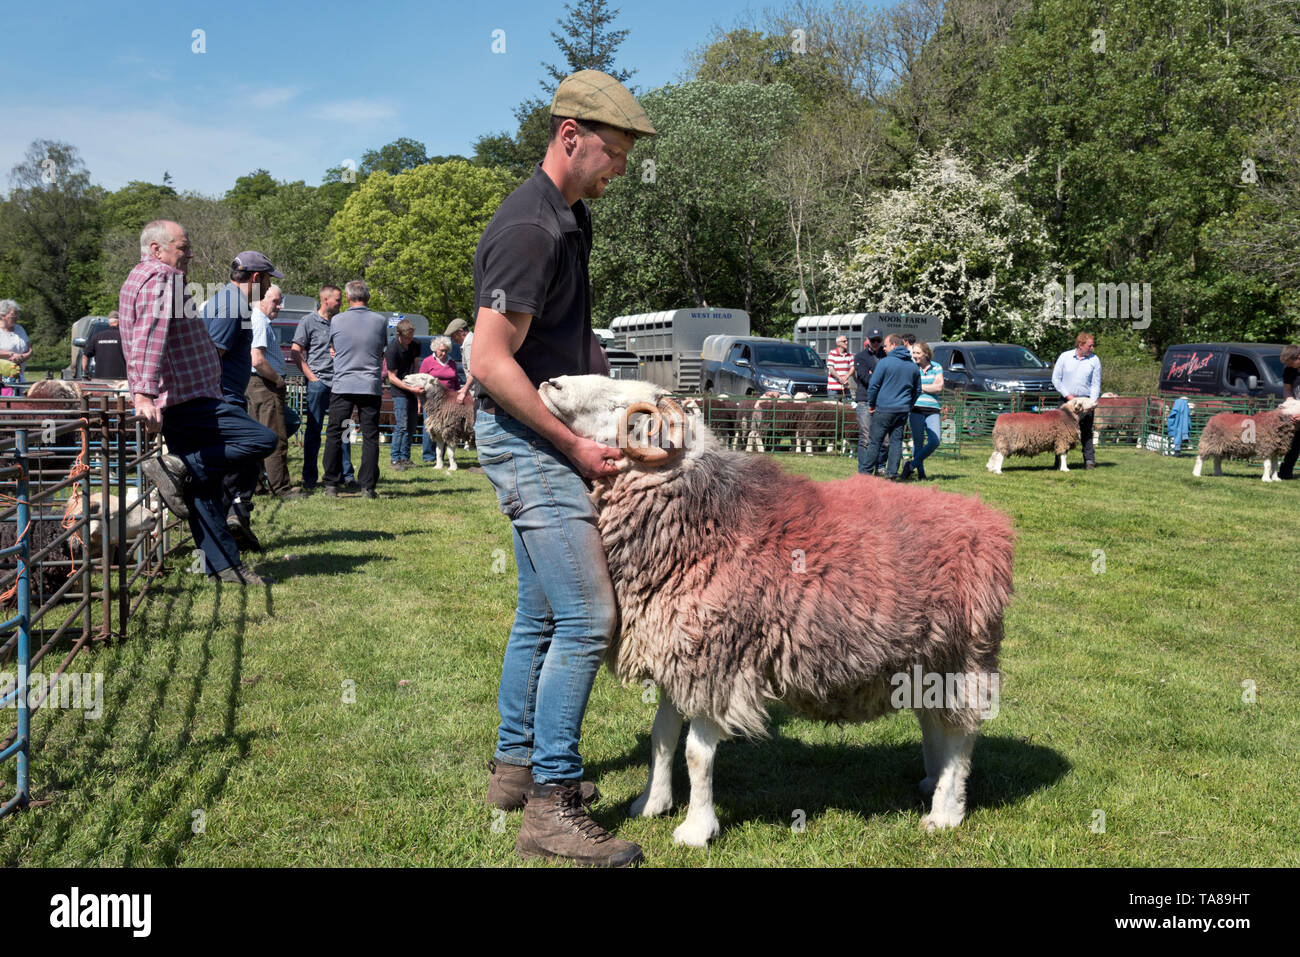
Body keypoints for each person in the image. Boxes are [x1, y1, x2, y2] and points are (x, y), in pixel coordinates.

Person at [473, 69, 655, 867]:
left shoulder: (567, 218)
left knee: (542, 615)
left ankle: (513, 770)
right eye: (612, 153)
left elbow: (556, 340)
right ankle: (551, 803)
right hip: (529, 439)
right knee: (589, 617)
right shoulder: (532, 229)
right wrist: (575, 445)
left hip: (542, 432)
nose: (619, 170)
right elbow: (488, 360)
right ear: (570, 134)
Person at [117, 220, 276, 585]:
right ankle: (175, 465)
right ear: (157, 249)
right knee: (261, 441)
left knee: (201, 487)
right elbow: (149, 336)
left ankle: (221, 565)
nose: (190, 254)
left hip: (184, 397)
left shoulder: (138, 277)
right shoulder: (162, 278)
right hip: (192, 397)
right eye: (183, 247)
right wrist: (142, 392)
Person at [202, 250, 283, 550]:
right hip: (222, 397)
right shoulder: (231, 305)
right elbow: (213, 357)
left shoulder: (231, 302)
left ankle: (234, 524)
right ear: (256, 277)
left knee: (240, 463)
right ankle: (224, 524)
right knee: (257, 444)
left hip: (227, 395)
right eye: (267, 281)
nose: (268, 287)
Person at [323, 280, 386, 499]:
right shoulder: (380, 321)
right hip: (369, 384)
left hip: (343, 384)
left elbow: (334, 348)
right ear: (368, 298)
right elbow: (380, 350)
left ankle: (331, 483)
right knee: (370, 435)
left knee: (335, 433)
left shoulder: (337, 320)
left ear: (348, 299)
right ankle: (367, 486)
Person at [291, 285, 356, 490]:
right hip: (318, 383)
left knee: (344, 428)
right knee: (314, 430)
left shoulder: (341, 322)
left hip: (339, 383)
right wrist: (312, 378)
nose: (341, 303)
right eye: (338, 299)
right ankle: (310, 477)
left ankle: (346, 475)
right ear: (325, 300)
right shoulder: (308, 321)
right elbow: (296, 351)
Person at [247, 285, 300, 500]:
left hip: (257, 385)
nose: (279, 306)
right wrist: (277, 379)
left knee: (258, 436)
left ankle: (258, 484)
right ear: (262, 299)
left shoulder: (257, 319)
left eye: (280, 301)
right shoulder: (259, 320)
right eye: (275, 302)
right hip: (265, 385)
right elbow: (257, 360)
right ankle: (281, 488)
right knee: (276, 435)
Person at [863, 334, 920, 479]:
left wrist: (872, 404)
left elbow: (874, 385)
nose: (884, 348)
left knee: (875, 441)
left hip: (883, 409)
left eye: (886, 345)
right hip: (902, 410)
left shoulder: (885, 363)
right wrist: (908, 404)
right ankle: (892, 474)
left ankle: (865, 474)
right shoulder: (913, 366)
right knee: (896, 442)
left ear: (894, 345)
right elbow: (917, 390)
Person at [1052, 331, 1102, 470]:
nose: (1092, 348)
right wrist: (1068, 396)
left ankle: (1089, 461)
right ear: (1080, 345)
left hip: (1085, 401)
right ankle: (1059, 462)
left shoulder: (1094, 360)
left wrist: (1092, 402)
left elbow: (1095, 383)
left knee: (1086, 431)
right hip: (1067, 400)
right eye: (1090, 346)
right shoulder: (1065, 357)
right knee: (1062, 432)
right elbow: (1056, 379)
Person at [900, 341, 944, 481]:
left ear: (925, 353)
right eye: (914, 353)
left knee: (935, 440)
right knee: (918, 443)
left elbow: (939, 388)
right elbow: (910, 387)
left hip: (932, 409)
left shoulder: (937, 367)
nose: (915, 355)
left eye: (918, 353)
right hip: (915, 409)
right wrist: (928, 387)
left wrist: (920, 387)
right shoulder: (912, 368)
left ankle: (910, 465)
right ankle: (921, 474)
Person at [384, 318, 422, 471]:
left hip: (413, 388)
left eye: (411, 337)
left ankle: (405, 457)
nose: (409, 340)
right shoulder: (392, 350)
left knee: (412, 425)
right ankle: (394, 458)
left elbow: (415, 366)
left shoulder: (415, 345)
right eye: (407, 337)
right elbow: (391, 377)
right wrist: (410, 388)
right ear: (399, 334)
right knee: (401, 425)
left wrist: (416, 386)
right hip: (399, 391)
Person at [419, 336, 459, 464]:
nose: (444, 353)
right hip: (431, 401)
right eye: (441, 350)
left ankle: (446, 456)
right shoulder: (427, 362)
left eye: (446, 351)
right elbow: (421, 381)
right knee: (432, 428)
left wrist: (458, 395)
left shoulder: (452, 362)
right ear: (435, 349)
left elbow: (456, 380)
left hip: (449, 401)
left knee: (448, 428)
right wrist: (420, 401)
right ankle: (429, 456)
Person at [852, 328, 888, 473]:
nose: (875, 343)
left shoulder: (886, 356)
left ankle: (880, 466)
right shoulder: (860, 357)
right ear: (868, 340)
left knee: (885, 439)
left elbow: (885, 377)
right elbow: (864, 378)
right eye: (873, 340)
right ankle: (864, 470)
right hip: (865, 400)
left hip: (883, 401)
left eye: (878, 340)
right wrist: (880, 377)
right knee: (866, 437)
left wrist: (874, 374)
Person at [82, 310, 127, 379]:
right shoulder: (125, 336)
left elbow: (85, 356)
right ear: (120, 321)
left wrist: (85, 370)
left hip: (100, 379)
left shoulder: (97, 336)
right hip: (121, 381)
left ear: (109, 322)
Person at [1277, 344, 1300, 479]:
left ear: (1298, 357)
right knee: (1293, 442)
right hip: (1297, 408)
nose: (1289, 365)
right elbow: (1287, 388)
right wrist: (1290, 404)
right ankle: (1285, 473)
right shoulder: (1289, 370)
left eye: (1290, 362)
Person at [0, 300, 32, 394]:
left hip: (18, 375)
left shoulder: (19, 329)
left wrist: (22, 357)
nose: (17, 317)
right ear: (2, 315)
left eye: (18, 314)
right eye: (14, 314)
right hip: (2, 377)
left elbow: (29, 349)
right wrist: (11, 354)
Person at [445, 318, 477, 400]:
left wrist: (464, 390)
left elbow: (474, 372)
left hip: (479, 394)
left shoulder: (469, 344)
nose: (452, 340)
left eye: (453, 336)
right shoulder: (473, 339)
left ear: (461, 331)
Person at [826, 334, 853, 400]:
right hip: (833, 387)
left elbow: (853, 367)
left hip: (845, 386)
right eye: (844, 341)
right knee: (833, 408)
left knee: (847, 406)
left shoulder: (849, 354)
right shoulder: (832, 353)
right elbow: (831, 369)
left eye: (847, 341)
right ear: (838, 343)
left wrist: (846, 377)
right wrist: (839, 378)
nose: (846, 343)